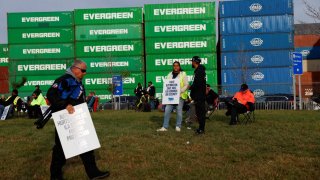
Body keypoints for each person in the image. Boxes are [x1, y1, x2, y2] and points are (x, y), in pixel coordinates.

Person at [46, 60, 109, 179]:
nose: (85, 73)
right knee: (60, 149)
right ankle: (55, 176)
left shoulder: (77, 81)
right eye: (83, 70)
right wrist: (65, 105)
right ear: (75, 68)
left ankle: (93, 173)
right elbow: (51, 93)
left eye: (86, 71)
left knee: (86, 145)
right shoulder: (65, 79)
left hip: (77, 118)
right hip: (66, 119)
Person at [157, 61, 189, 132]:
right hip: (170, 97)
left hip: (180, 96)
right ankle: (165, 127)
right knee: (167, 111)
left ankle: (178, 126)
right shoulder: (169, 74)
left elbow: (186, 85)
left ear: (179, 66)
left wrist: (179, 91)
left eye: (177, 65)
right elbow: (167, 86)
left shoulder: (183, 74)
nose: (175, 67)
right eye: (174, 65)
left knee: (179, 111)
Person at [189, 56, 207, 135]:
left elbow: (198, 84)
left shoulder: (199, 71)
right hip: (199, 95)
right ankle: (201, 128)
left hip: (199, 96)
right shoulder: (199, 70)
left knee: (200, 113)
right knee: (199, 112)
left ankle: (201, 129)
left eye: (192, 61)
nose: (191, 63)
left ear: (195, 62)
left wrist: (191, 87)